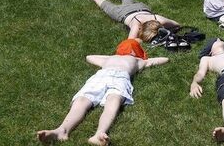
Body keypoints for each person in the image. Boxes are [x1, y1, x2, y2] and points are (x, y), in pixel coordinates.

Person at [36, 39, 169, 145]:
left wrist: (143, 59)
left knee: (113, 101)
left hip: (120, 78)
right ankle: (62, 130)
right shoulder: (109, 58)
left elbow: (164, 59)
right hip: (100, 76)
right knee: (82, 100)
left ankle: (99, 134)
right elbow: (89, 57)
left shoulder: (139, 61)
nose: (128, 49)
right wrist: (112, 56)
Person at [91, 0, 181, 41]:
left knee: (128, 1)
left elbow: (177, 25)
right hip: (123, 12)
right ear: (140, 29)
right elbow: (130, 41)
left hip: (139, 7)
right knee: (107, 7)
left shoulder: (160, 19)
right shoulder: (136, 25)